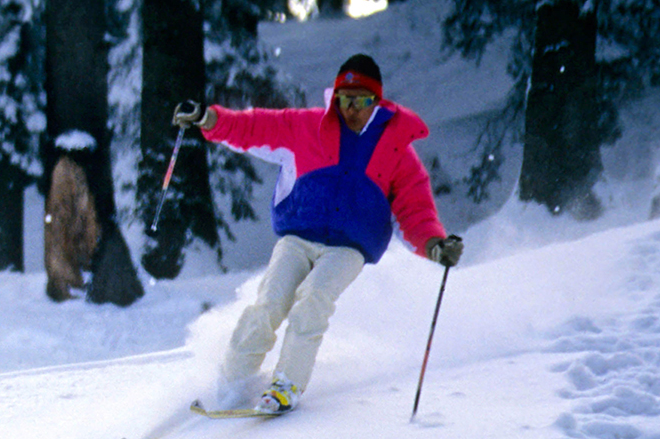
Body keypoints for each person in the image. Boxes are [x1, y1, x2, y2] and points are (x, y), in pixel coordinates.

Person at [173, 54, 464, 414]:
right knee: (270, 303)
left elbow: (415, 209)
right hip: (297, 236)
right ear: (335, 98)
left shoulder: (396, 148)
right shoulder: (307, 126)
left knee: (313, 300)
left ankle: (285, 385)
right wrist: (208, 118)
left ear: (378, 102)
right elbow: (252, 128)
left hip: (348, 248)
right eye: (345, 100)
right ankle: (233, 383)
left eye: (362, 101)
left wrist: (435, 245)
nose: (352, 109)